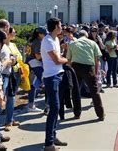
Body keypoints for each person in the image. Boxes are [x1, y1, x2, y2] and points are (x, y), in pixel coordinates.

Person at [41, 18, 68, 151]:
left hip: (58, 75)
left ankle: (53, 136)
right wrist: (68, 59)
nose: (62, 27)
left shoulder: (55, 39)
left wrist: (63, 55)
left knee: (56, 108)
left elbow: (58, 57)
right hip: (52, 78)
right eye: (60, 25)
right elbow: (57, 60)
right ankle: (48, 143)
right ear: (56, 26)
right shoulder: (47, 41)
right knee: (54, 109)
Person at [66, 30, 105, 121]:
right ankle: (100, 114)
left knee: (76, 91)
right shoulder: (93, 43)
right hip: (89, 68)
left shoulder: (72, 43)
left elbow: (69, 60)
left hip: (76, 67)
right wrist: (95, 72)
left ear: (78, 36)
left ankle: (77, 113)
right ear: (86, 36)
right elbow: (96, 59)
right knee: (94, 91)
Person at [27, 27, 47, 112]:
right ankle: (46, 105)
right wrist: (47, 53)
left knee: (32, 85)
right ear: (39, 34)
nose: (45, 36)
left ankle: (31, 105)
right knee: (44, 83)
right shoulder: (38, 42)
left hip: (30, 63)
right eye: (44, 34)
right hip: (35, 63)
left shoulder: (32, 41)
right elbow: (38, 56)